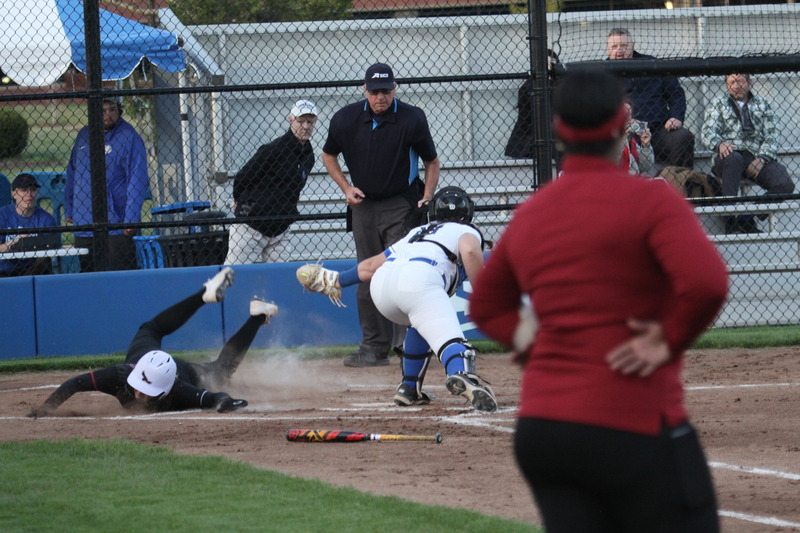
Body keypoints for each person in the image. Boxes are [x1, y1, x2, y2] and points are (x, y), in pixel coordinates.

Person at [470, 68, 728, 532]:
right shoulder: (652, 201)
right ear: (620, 125)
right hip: (632, 422)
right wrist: (666, 339)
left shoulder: (532, 212)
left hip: (545, 431)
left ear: (560, 131)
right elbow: (707, 283)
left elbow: (486, 304)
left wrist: (531, 340)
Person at [297, 187, 496, 412]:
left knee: (422, 322)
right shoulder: (465, 230)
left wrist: (338, 280)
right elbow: (469, 251)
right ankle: (462, 375)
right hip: (420, 281)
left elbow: (371, 267)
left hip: (383, 288)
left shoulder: (418, 232)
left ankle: (409, 388)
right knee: (453, 343)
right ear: (468, 213)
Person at [27, 267, 278, 417]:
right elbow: (75, 383)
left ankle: (257, 316)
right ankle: (206, 293)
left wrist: (227, 403)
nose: (136, 392)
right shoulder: (120, 376)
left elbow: (215, 397)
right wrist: (48, 406)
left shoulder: (180, 390)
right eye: (138, 386)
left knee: (223, 368)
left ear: (165, 391)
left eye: (144, 390)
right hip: (143, 358)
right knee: (151, 328)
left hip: (182, 371)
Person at [321, 62, 440, 368]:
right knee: (366, 275)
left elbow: (431, 161)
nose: (380, 97)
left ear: (394, 89)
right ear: (365, 90)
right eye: (374, 92)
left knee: (402, 272)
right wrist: (346, 187)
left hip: (400, 204)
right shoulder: (346, 119)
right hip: (363, 207)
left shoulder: (412, 118)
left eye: (386, 91)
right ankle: (373, 347)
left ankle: (406, 346)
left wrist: (426, 195)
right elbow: (328, 154)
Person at [225, 100, 318, 264]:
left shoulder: (308, 155)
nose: (305, 126)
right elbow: (243, 177)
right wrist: (241, 202)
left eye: (310, 122)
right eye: (300, 121)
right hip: (251, 223)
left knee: (278, 277)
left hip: (280, 227)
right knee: (236, 275)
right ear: (290, 120)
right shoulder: (274, 149)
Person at [701, 73, 795, 234]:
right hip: (728, 155)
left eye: (739, 81)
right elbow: (708, 132)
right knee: (734, 158)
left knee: (785, 184)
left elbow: (773, 134)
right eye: (731, 83)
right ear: (726, 85)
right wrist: (719, 144)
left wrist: (763, 158)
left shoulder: (764, 103)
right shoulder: (719, 103)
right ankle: (730, 219)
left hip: (756, 155)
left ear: (749, 82)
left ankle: (747, 216)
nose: (736, 86)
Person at [65, 98, 150, 272]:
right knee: (89, 277)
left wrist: (131, 219)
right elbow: (73, 172)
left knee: (120, 277)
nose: (107, 115)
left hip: (116, 222)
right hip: (84, 220)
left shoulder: (129, 138)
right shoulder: (84, 135)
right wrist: (69, 208)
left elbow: (137, 179)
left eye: (112, 109)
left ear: (119, 111)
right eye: (102, 110)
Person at [607, 28, 695, 169]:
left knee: (683, 137)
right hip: (624, 134)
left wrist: (676, 117)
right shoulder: (603, 74)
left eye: (624, 45)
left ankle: (681, 183)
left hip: (659, 131)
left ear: (633, 46)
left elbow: (676, 94)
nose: (619, 50)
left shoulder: (652, 64)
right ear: (607, 49)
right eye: (614, 46)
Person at [505, 49, 560, 160]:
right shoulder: (528, 87)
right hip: (533, 138)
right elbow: (525, 119)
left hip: (558, 137)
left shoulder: (563, 85)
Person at [0, 173, 57, 277]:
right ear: (14, 194)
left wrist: (27, 276)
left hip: (36, 270)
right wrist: (16, 242)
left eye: (33, 190)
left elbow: (45, 254)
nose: (29, 194)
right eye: (23, 190)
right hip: (6, 270)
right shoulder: (2, 215)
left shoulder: (46, 219)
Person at [620, 102, 656, 176]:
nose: (629, 119)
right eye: (624, 114)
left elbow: (645, 167)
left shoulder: (630, 139)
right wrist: (622, 139)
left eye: (629, 115)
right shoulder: (607, 141)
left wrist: (646, 146)